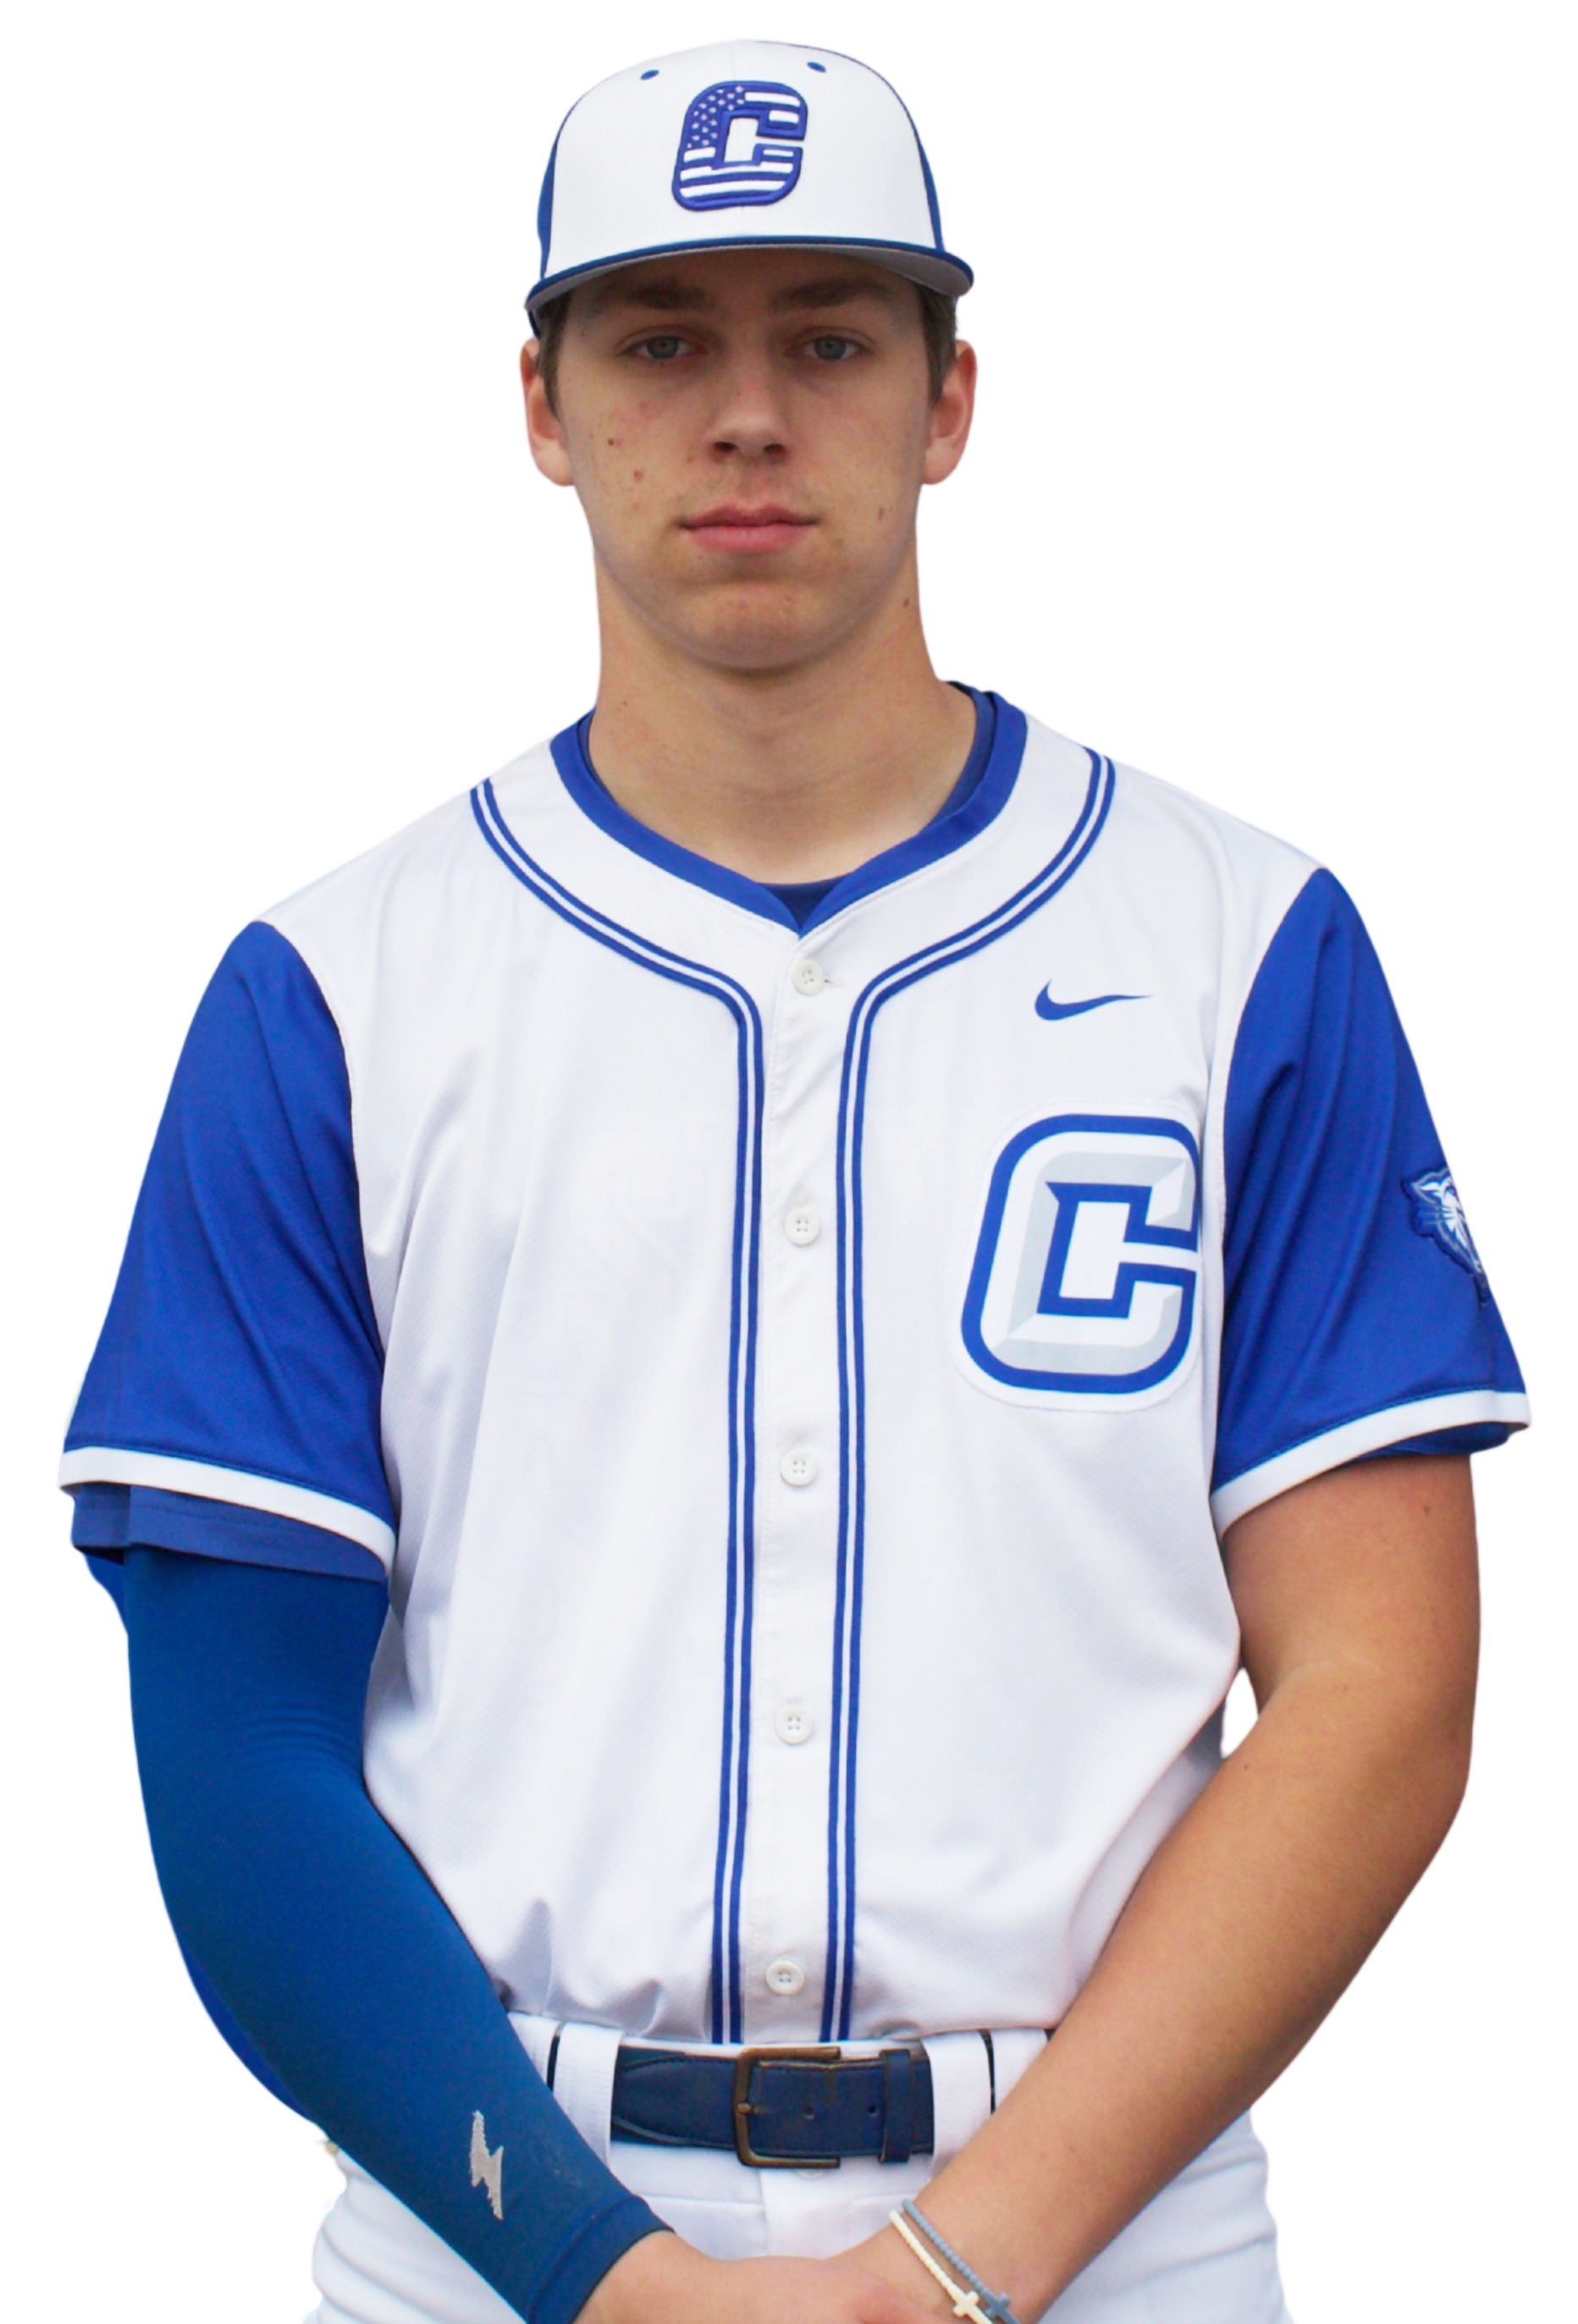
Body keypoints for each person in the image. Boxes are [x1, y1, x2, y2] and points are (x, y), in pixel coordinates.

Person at [61, 37, 1527, 2324]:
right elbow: (241, 1756)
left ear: (952, 400)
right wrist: (603, 2273)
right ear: (543, 407)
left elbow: (1378, 1687)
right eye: (662, 342)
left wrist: (952, 2265)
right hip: (496, 2217)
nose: (748, 416)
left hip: (1106, 2224)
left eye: (829, 339)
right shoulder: (334, 991)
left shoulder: (1239, 944)